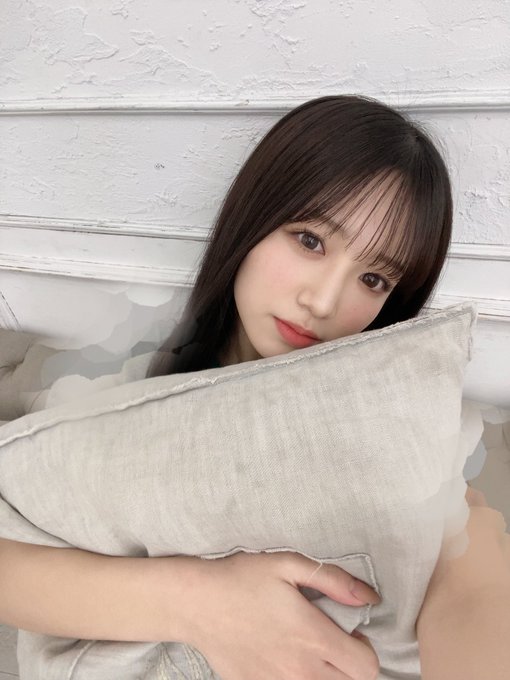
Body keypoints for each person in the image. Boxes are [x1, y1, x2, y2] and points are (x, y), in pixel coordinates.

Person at [0, 95, 508, 680]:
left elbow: (471, 589)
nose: (324, 301)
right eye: (310, 240)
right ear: (253, 218)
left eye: (373, 278)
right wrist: (201, 603)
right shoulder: (117, 396)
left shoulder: (402, 430)